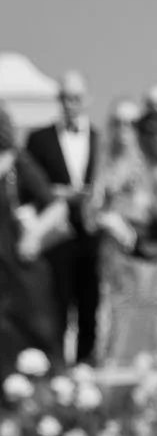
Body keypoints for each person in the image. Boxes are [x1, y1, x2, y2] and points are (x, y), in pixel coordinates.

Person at [86, 99, 157, 363]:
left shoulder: (153, 166)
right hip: (114, 257)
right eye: (117, 122)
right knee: (115, 318)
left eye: (130, 123)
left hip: (146, 258)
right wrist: (107, 219)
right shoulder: (105, 165)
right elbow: (91, 213)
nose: (124, 129)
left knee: (149, 318)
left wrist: (135, 219)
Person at [26, 69, 101, 363]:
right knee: (57, 304)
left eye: (77, 98)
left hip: (90, 235)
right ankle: (56, 366)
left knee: (89, 305)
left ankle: (85, 366)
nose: (71, 104)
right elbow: (31, 189)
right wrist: (64, 194)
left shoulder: (98, 138)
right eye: (66, 98)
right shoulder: (40, 139)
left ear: (87, 99)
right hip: (56, 235)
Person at [0, 106, 67, 375]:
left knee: (34, 332)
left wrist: (34, 233)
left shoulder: (17, 163)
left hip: (19, 265)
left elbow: (56, 206)